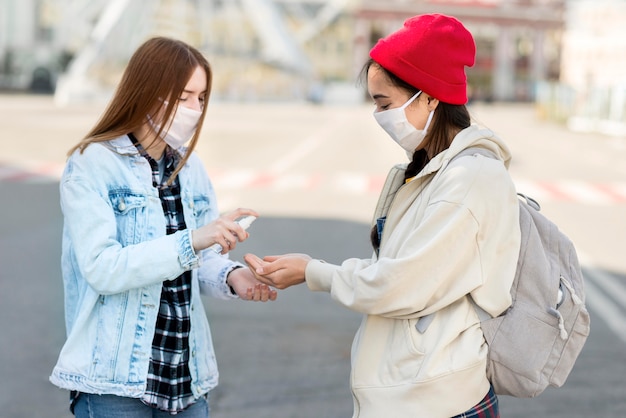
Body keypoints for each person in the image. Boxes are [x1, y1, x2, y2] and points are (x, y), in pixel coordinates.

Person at [244, 14, 521, 418]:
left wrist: (312, 271)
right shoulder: (423, 171)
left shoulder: (469, 179)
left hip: (438, 400)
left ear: (429, 97)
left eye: (384, 103)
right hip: (411, 390)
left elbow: (401, 284)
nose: (378, 116)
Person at [49, 37, 277, 417]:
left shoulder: (191, 169)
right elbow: (103, 268)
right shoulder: (93, 164)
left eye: (201, 98)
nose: (194, 109)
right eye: (183, 96)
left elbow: (198, 260)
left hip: (185, 381)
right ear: (147, 92)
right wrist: (193, 241)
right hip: (114, 387)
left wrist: (235, 276)